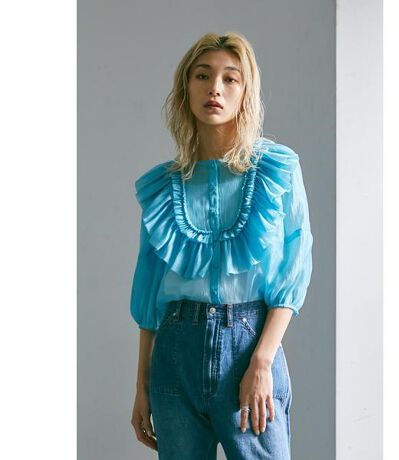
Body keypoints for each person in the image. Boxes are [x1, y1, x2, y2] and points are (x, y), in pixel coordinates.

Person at [129, 31, 313, 460]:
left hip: (249, 347)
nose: (215, 88)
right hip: (175, 353)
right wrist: (141, 386)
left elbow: (295, 268)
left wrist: (262, 362)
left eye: (231, 78)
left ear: (246, 92)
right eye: (202, 75)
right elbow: (149, 292)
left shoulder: (277, 171)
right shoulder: (163, 187)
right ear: (186, 88)